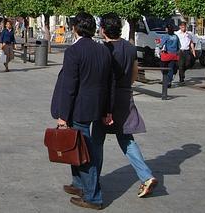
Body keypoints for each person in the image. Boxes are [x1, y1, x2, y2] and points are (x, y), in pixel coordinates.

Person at [50, 12, 112, 210]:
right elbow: (110, 83)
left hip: (79, 108)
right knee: (76, 147)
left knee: (85, 153)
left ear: (75, 28)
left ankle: (93, 196)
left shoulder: (74, 52)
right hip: (97, 105)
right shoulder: (103, 50)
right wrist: (108, 109)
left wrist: (62, 116)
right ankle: (78, 184)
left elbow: (70, 86)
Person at [94, 13, 157, 200]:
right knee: (126, 139)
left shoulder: (104, 49)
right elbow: (135, 72)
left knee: (97, 140)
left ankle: (93, 179)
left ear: (103, 29)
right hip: (125, 94)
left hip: (107, 98)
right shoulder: (130, 48)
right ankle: (146, 176)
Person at [159, 23, 180, 88]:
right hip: (174, 55)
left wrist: (160, 49)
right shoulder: (176, 36)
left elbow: (160, 45)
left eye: (166, 28)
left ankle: (166, 79)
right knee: (171, 68)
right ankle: (169, 81)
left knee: (163, 66)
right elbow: (179, 46)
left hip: (167, 54)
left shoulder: (166, 36)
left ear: (168, 29)